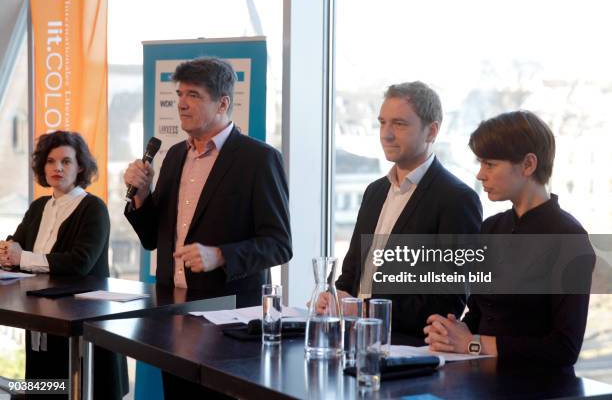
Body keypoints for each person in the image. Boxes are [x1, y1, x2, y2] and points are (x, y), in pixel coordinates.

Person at [123, 57, 292, 397]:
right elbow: (152, 239)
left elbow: (279, 243)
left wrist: (221, 255)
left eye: (195, 95)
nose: (182, 103)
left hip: (230, 321)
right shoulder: (173, 156)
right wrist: (141, 196)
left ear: (223, 103)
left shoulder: (258, 159)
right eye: (180, 94)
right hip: (175, 314)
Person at [424, 110, 594, 366]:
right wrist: (450, 333)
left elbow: (563, 348)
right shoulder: (491, 228)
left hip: (538, 388)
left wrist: (471, 343)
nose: (481, 174)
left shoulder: (569, 238)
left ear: (528, 164)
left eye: (489, 164)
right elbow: (482, 316)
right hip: (483, 379)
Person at [318, 82, 482, 336]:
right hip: (351, 339)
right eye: (382, 122)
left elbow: (446, 304)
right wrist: (333, 298)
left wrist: (361, 309)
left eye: (399, 124)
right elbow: (351, 276)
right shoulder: (375, 191)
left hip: (407, 351)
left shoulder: (456, 199)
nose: (386, 134)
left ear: (431, 131)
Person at [0, 130, 128, 399]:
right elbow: (15, 245)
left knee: (80, 391)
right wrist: (7, 253)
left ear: (80, 166)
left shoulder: (93, 208)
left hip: (82, 325)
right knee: (45, 391)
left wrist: (21, 256)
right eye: (50, 161)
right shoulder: (38, 207)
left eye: (66, 161)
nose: (57, 167)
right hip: (40, 317)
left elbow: (79, 263)